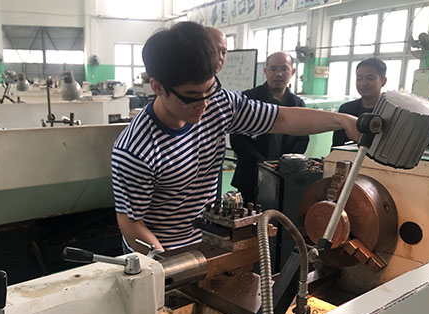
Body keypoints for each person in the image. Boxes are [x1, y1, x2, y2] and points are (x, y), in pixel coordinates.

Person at [112, 22, 360, 254]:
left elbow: (282, 119)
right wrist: (167, 266)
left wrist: (343, 121)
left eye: (209, 90)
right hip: (160, 251)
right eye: (192, 96)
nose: (204, 104)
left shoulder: (218, 104)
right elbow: (132, 224)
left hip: (209, 239)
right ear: (157, 87)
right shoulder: (135, 150)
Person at [230, 52, 308, 203]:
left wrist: (283, 164)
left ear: (292, 72)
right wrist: (263, 164)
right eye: (273, 69)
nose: (278, 74)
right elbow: (238, 138)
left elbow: (302, 138)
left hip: (285, 175)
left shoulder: (297, 104)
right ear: (265, 71)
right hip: (250, 175)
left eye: (284, 69)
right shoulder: (248, 99)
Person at [332, 57, 387, 147]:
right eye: (359, 78)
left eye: (370, 78)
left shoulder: (390, 112)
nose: (363, 83)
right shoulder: (346, 109)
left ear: (383, 81)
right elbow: (336, 146)